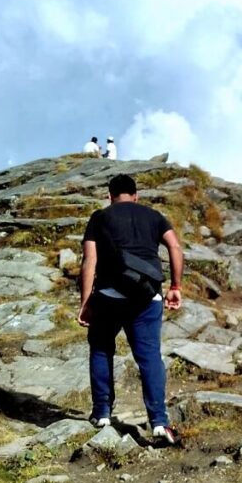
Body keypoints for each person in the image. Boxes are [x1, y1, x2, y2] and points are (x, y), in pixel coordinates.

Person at [78, 173, 183, 444]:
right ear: (136, 195)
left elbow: (90, 260)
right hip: (146, 296)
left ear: (110, 196)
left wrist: (86, 302)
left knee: (101, 349)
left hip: (109, 295)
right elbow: (174, 245)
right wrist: (175, 285)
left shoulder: (100, 217)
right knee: (149, 357)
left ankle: (102, 414)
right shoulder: (154, 216)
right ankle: (159, 422)